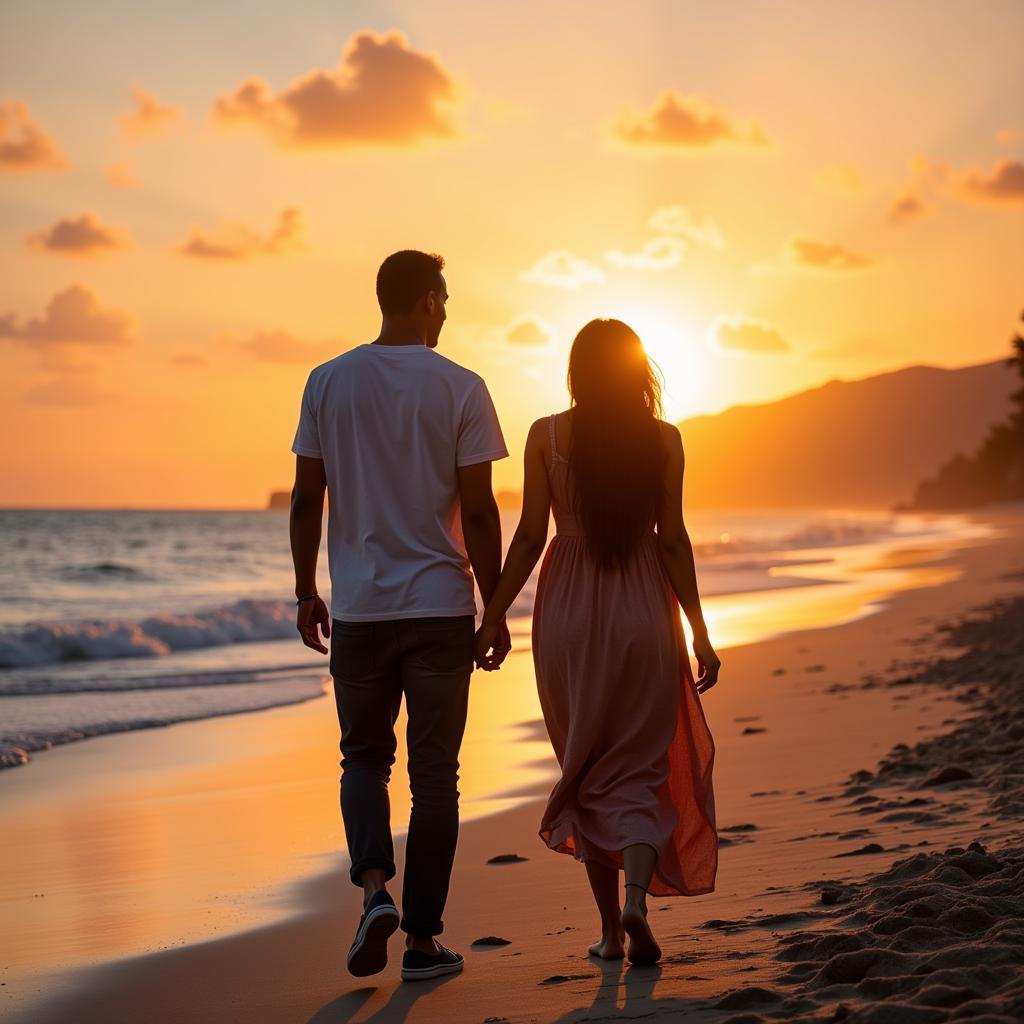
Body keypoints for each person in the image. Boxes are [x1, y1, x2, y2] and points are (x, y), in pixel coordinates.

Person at [289, 250, 511, 983]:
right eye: (443, 300)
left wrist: (305, 591)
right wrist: (495, 606)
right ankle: (420, 943)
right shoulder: (462, 388)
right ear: (424, 300)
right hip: (440, 608)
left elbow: (305, 500)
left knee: (362, 759)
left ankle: (375, 893)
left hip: (359, 611)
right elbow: (478, 511)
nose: (446, 313)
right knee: (436, 776)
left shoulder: (326, 382)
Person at [475, 318, 719, 966]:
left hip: (569, 615)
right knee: (639, 767)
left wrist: (492, 614)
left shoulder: (546, 435)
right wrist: (699, 631)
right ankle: (637, 898)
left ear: (578, 371)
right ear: (638, 369)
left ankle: (611, 932)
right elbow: (672, 540)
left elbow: (529, 538)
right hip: (643, 609)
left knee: (584, 765)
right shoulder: (663, 440)